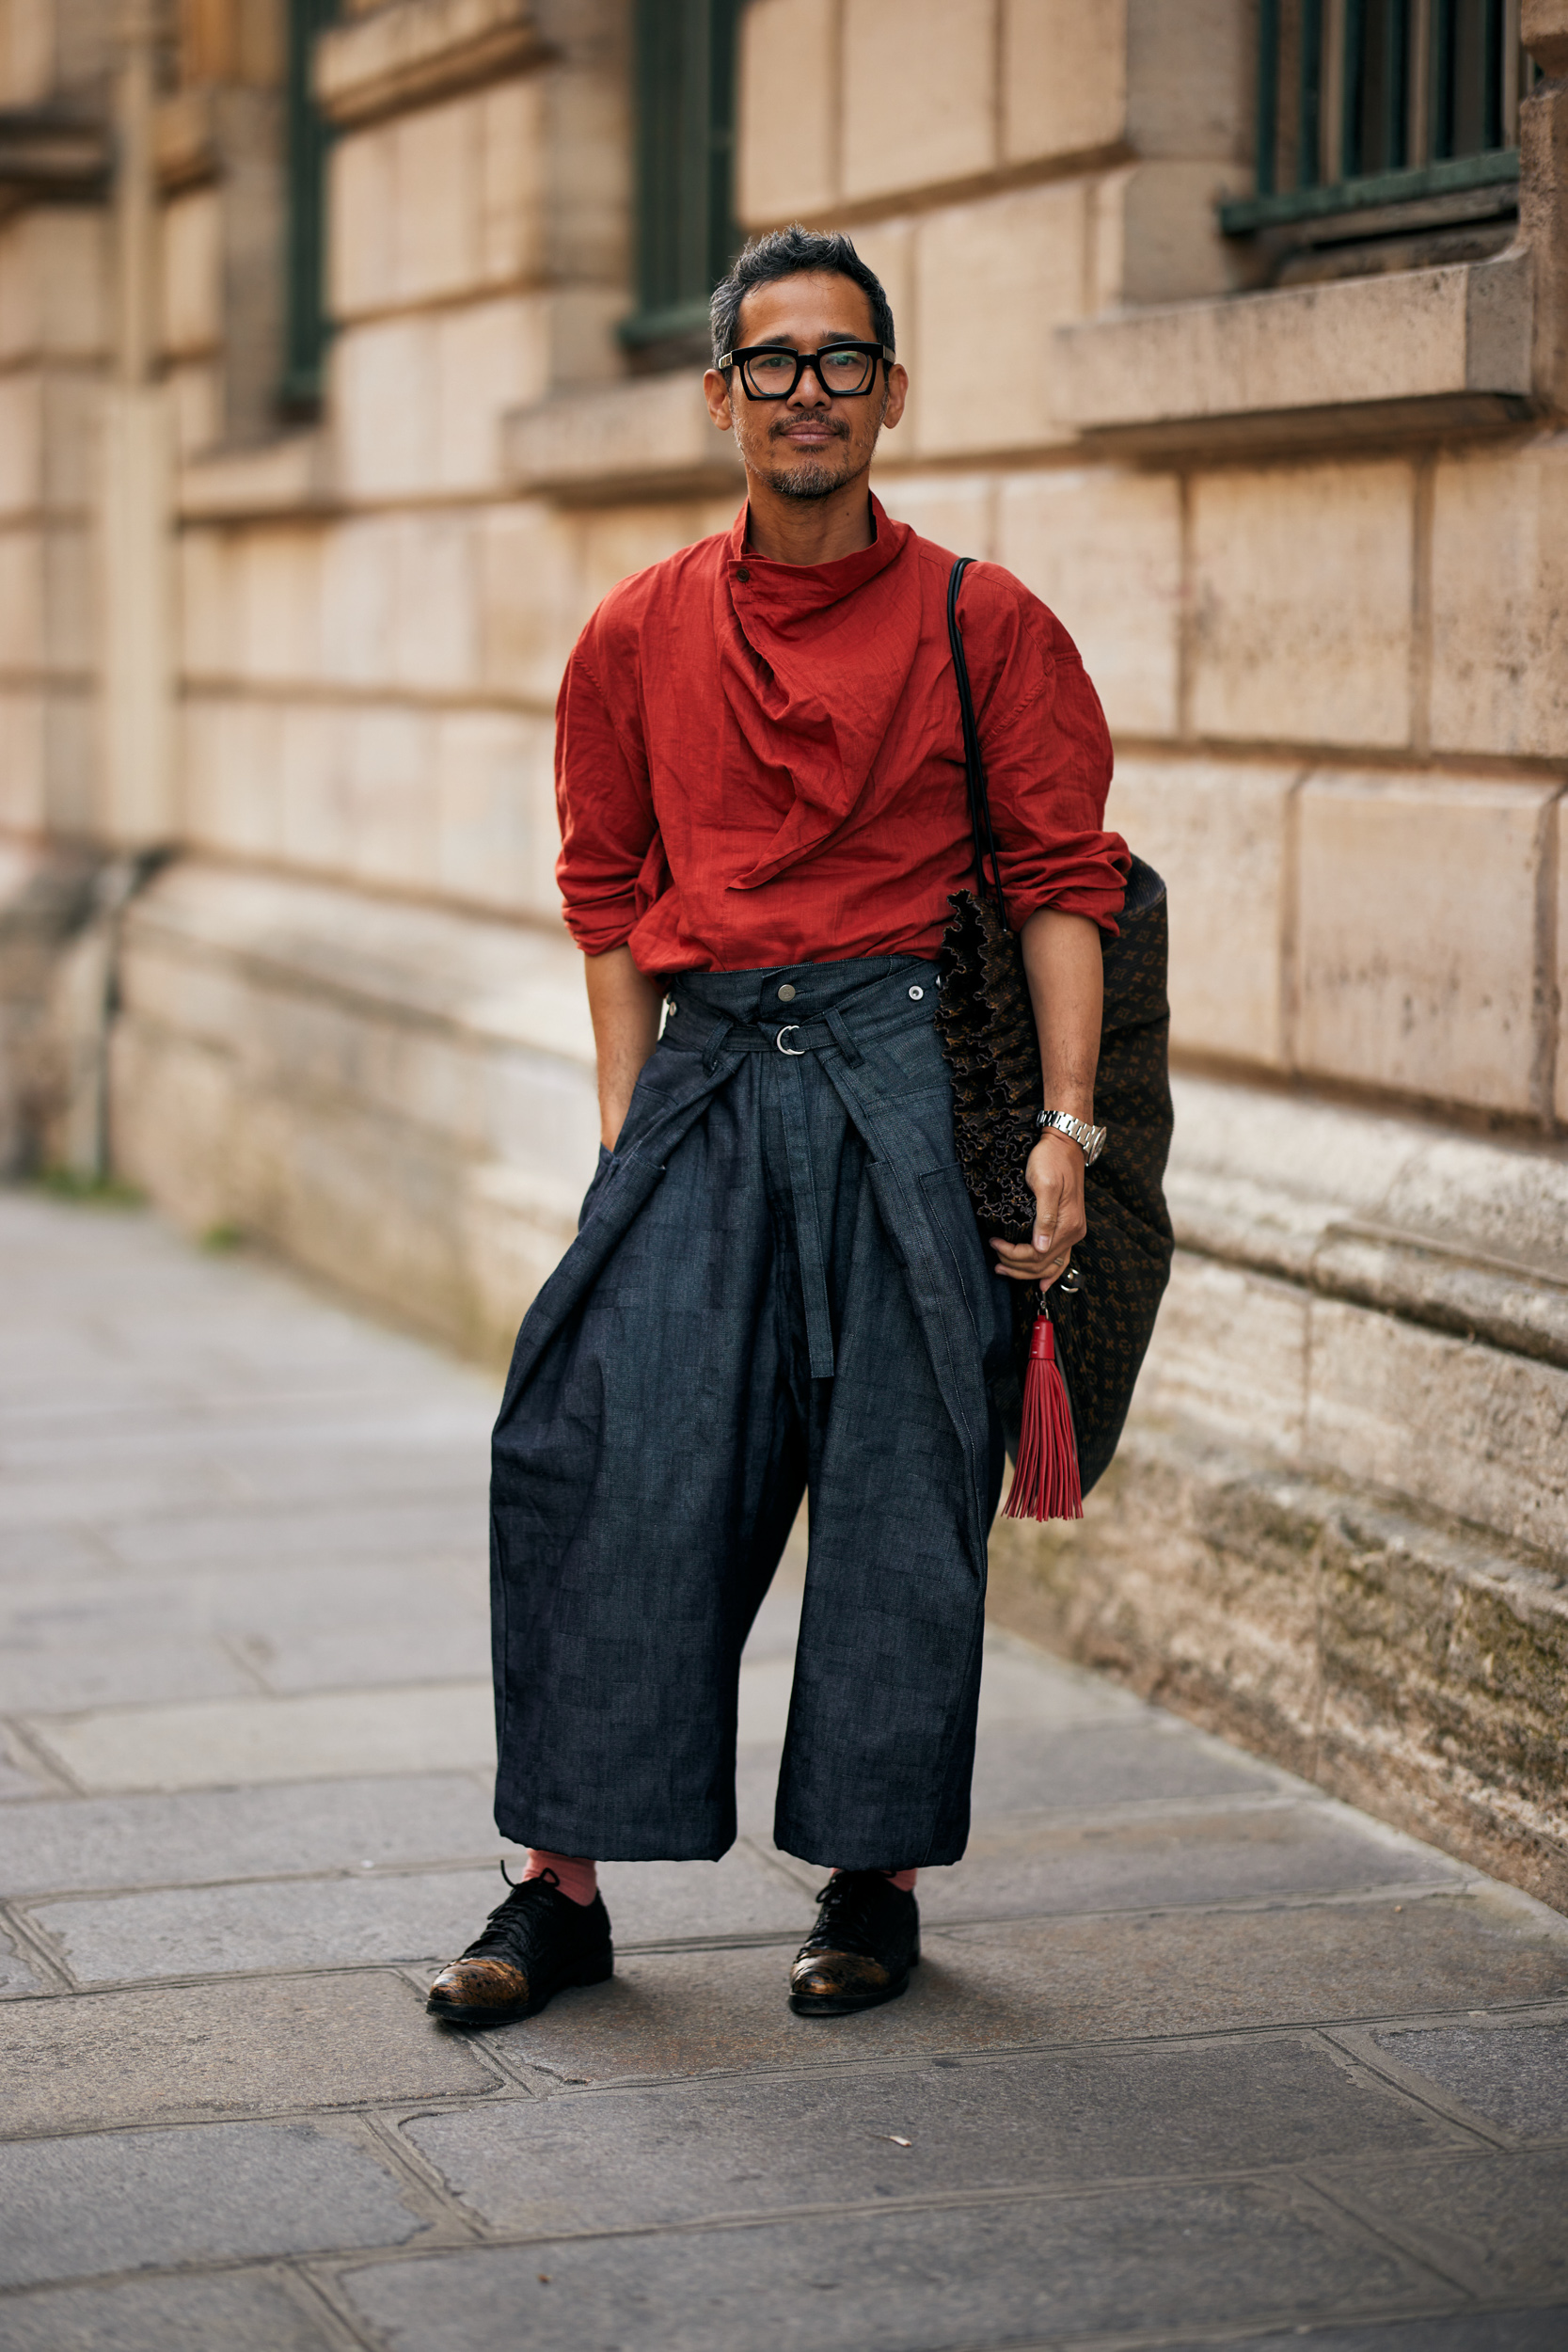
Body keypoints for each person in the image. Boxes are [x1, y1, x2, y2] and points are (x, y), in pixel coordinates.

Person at [427, 225, 1128, 2028]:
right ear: (719, 393)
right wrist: (622, 1137)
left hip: (910, 1074)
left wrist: (1065, 1128)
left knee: (903, 1488)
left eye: (841, 363)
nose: (805, 393)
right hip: (711, 1074)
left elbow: (1065, 887)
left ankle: (870, 1882)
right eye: (772, 362)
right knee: (591, 1446)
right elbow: (605, 894)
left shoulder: (990, 624)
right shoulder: (635, 633)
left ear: (891, 396)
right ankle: (557, 1890)